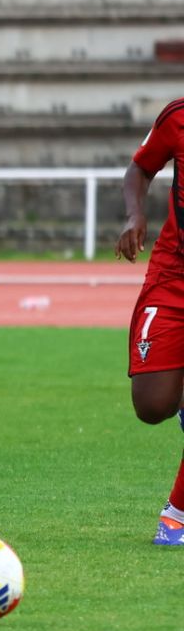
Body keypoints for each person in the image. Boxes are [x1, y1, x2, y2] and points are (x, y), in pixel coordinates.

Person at [116, 96, 184, 545]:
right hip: (173, 276)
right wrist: (136, 214)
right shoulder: (177, 117)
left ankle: (176, 513)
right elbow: (140, 169)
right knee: (152, 406)